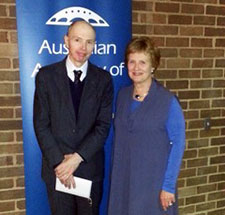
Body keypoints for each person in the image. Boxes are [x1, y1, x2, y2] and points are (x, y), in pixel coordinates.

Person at [33, 20, 113, 215]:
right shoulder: (46, 76)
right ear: (66, 40)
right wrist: (61, 165)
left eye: (89, 42)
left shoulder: (103, 80)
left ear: (94, 46)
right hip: (57, 172)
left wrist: (75, 160)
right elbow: (41, 125)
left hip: (89, 170)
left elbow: (103, 127)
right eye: (77, 40)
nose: (83, 47)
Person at [108, 36, 185, 215]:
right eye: (132, 61)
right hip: (124, 181)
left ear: (153, 66)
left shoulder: (168, 101)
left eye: (142, 62)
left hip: (153, 185)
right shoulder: (122, 96)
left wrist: (168, 186)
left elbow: (178, 144)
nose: (136, 68)